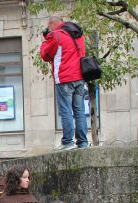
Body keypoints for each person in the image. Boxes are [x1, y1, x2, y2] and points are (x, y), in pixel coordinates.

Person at [40, 16, 88, 150]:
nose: (48, 29)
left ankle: (67, 142)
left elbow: (45, 55)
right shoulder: (77, 34)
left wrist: (45, 40)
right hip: (79, 78)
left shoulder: (56, 35)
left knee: (66, 110)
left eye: (49, 26)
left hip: (65, 77)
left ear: (52, 24)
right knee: (79, 110)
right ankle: (82, 142)